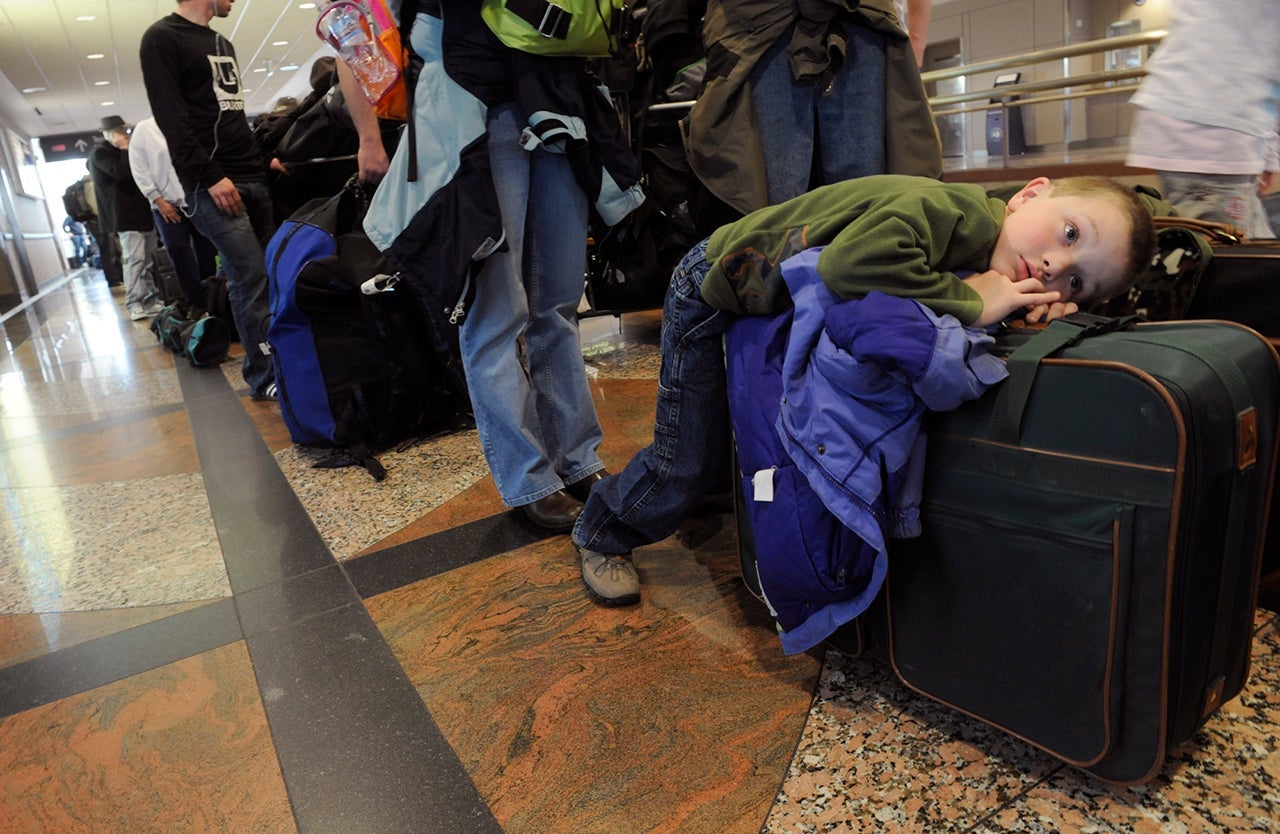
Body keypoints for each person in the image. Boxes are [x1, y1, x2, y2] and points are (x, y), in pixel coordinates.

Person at [571, 174, 1157, 606]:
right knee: (686, 455)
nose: (1055, 264)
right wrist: (976, 301)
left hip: (762, 294)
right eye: (1071, 232)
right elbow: (849, 268)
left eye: (1077, 278)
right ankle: (604, 530)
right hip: (713, 283)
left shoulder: (989, 247)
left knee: (735, 432)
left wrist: (1008, 306)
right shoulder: (954, 213)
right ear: (1030, 193)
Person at [337, 1, 644, 531]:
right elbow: (358, 35)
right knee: (498, 314)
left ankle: (577, 459)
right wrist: (368, 136)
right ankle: (529, 480)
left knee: (557, 305)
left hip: (553, 96)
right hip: (475, 104)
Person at [685, 0, 942, 228]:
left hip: (860, 18)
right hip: (760, 22)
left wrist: (916, 38)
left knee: (866, 208)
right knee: (775, 211)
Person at [139, 0, 278, 399]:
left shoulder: (221, 41)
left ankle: (285, 362)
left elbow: (230, 115)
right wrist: (211, 175)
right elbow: (172, 119)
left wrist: (264, 157)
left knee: (268, 272)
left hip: (251, 175)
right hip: (210, 183)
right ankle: (264, 374)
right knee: (250, 274)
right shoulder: (162, 38)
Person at [1125, 0, 1280, 239]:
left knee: (1247, 249)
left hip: (1216, 117)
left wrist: (1271, 151)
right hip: (1213, 123)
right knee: (1226, 258)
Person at [128, 116, 219, 309]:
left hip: (197, 198)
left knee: (207, 250)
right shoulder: (144, 129)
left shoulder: (188, 122)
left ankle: (212, 299)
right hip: (165, 203)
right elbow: (139, 168)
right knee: (178, 251)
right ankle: (195, 302)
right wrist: (158, 199)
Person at [89, 116, 162, 321]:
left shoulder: (129, 150)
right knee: (134, 259)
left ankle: (150, 299)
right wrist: (122, 149)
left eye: (125, 130)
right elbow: (121, 173)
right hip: (124, 215)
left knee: (147, 260)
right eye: (120, 131)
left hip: (143, 212)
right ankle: (134, 302)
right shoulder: (101, 153)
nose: (125, 135)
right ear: (110, 133)